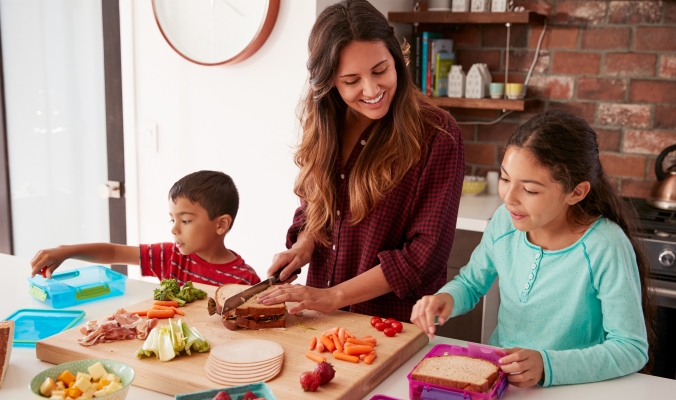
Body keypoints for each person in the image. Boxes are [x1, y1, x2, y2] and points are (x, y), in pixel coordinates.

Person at [411, 110, 655, 388]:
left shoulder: (604, 246)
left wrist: (547, 366)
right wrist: (447, 299)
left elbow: (630, 348)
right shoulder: (505, 221)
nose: (509, 198)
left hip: (574, 388)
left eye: (529, 190)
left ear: (576, 192)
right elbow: (470, 282)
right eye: (505, 179)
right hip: (503, 383)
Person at [258, 0, 465, 322]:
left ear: (396, 59)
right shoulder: (324, 124)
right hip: (320, 319)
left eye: (380, 70)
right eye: (351, 80)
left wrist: (334, 296)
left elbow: (425, 254)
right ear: (329, 82)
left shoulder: (437, 134)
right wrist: (303, 245)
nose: (372, 89)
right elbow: (316, 206)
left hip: (392, 324)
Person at [30, 170, 261, 286]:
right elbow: (114, 253)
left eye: (186, 220)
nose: (174, 229)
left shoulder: (244, 280)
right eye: (172, 220)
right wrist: (66, 251)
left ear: (221, 224)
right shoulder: (170, 256)